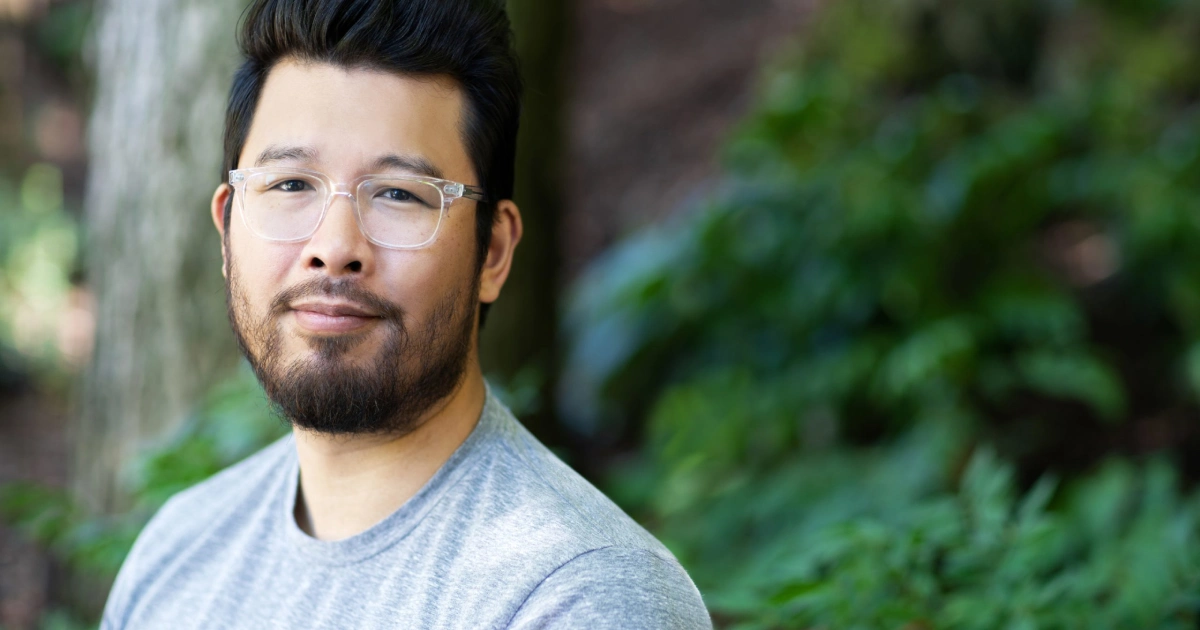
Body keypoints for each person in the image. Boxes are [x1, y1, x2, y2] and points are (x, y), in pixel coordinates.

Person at [99, 0, 711, 628]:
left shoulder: (586, 597)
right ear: (227, 231)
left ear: (493, 253)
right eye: (290, 184)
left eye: (399, 193)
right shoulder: (176, 555)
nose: (334, 247)